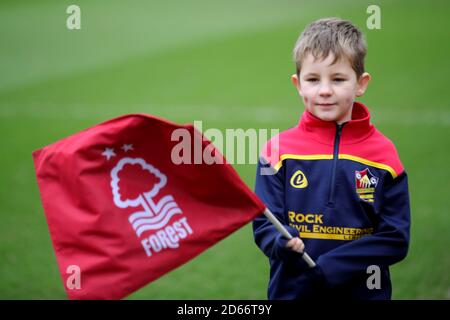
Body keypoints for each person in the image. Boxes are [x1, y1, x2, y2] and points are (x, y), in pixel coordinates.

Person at [252, 17, 411, 300]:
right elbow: (264, 222)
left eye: (338, 79)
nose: (324, 90)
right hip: (292, 291)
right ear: (298, 84)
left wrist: (331, 267)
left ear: (361, 83)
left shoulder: (384, 155)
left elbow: (395, 239)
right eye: (313, 79)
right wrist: (281, 241)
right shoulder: (276, 151)